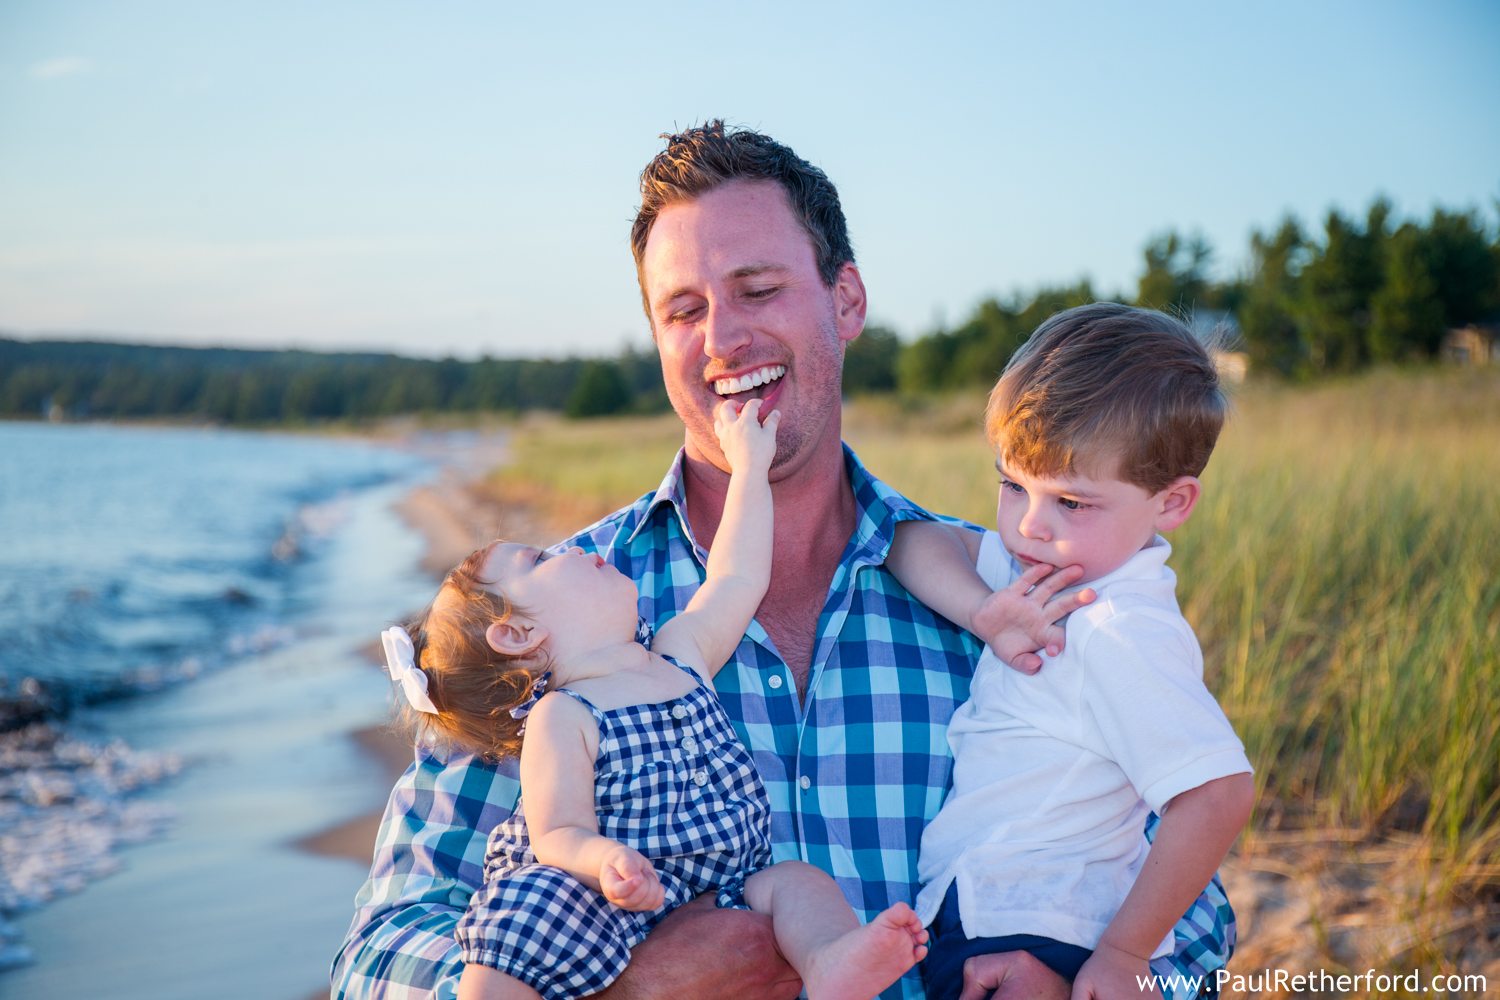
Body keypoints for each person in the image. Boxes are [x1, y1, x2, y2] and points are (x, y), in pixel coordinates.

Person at [333, 121, 1238, 1000]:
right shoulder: (559, 625)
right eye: (683, 310)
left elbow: (1192, 895)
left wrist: (1081, 969)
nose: (724, 338)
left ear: (846, 301)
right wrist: (633, 991)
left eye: (758, 289)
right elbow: (379, 954)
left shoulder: (1010, 585)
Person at [379, 397, 927, 1000]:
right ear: (517, 635)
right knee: (528, 913)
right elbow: (556, 830)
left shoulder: (679, 655)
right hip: (599, 894)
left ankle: (828, 961)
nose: (566, 550)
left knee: (797, 881)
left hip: (716, 880)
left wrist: (749, 469)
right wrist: (606, 862)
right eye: (539, 560)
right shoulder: (563, 715)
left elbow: (737, 578)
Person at [885, 303, 1256, 999]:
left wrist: (1124, 953)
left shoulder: (1118, 625)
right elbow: (910, 541)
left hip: (1038, 917)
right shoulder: (1048, 572)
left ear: (1172, 503)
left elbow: (1218, 793)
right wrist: (984, 614)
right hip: (992, 905)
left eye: (1071, 502)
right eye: (1011, 484)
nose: (1028, 523)